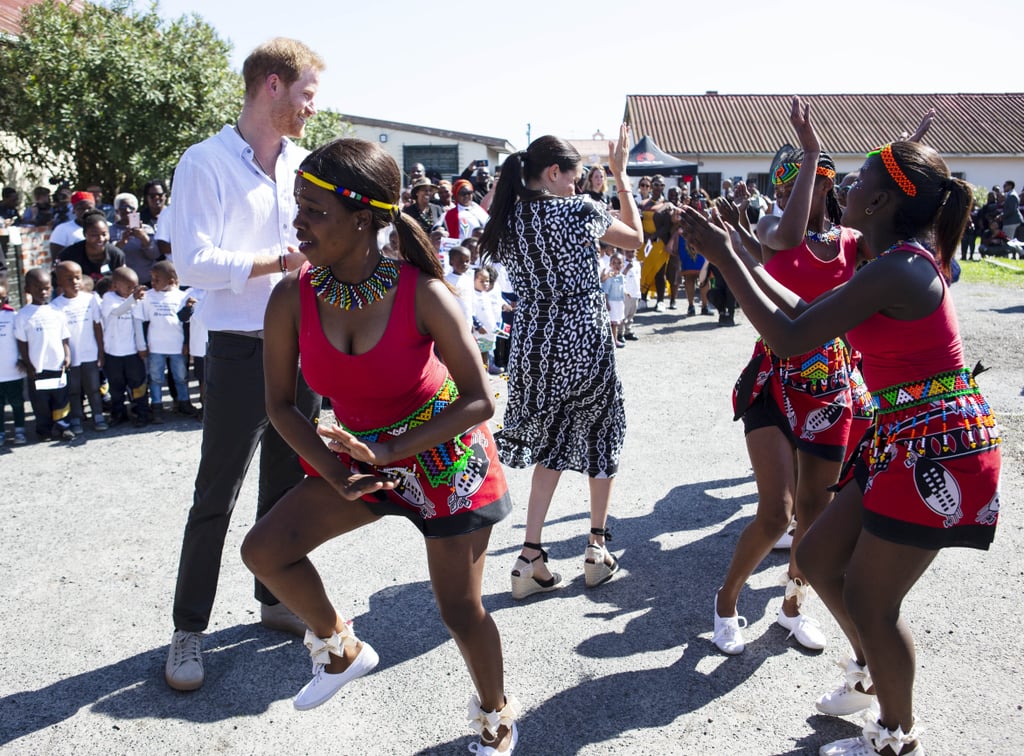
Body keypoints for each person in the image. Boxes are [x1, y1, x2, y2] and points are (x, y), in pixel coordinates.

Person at [679, 98, 1000, 756]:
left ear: (882, 203)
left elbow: (792, 336)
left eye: (861, 182)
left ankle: (896, 735)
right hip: (905, 439)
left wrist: (723, 256)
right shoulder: (891, 261)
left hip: (937, 450)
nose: (848, 188)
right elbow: (804, 308)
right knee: (820, 556)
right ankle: (873, 676)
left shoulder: (901, 266)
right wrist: (740, 257)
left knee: (873, 602)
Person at [240, 137, 520, 753]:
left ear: (363, 218)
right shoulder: (293, 296)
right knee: (265, 550)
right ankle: (340, 649)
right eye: (298, 206)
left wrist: (390, 452)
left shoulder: (422, 292)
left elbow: (479, 399)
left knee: (459, 612)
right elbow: (280, 407)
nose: (298, 221)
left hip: (448, 460)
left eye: (315, 210)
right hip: (363, 459)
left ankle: (497, 719)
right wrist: (334, 473)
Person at [164, 37, 326, 692]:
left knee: (290, 486)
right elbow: (193, 264)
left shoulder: (306, 164)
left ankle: (273, 598)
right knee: (217, 492)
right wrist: (279, 262)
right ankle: (187, 629)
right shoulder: (203, 163)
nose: (312, 108)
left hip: (303, 341)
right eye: (307, 94)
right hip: (236, 345)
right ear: (272, 87)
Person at [710, 99, 868, 657]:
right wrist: (807, 150)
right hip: (773, 381)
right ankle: (727, 599)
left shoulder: (852, 244)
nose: (785, 196)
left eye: (802, 182)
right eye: (783, 185)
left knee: (814, 517)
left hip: (831, 388)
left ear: (826, 186)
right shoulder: (775, 225)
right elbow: (792, 229)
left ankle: (792, 607)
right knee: (775, 510)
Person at [478, 125, 644, 599]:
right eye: (570, 177)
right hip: (583, 338)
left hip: (533, 346)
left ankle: (530, 555)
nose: (575, 186)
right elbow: (633, 239)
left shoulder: (508, 221)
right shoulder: (577, 210)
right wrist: (621, 176)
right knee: (602, 433)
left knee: (550, 445)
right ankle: (596, 547)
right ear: (552, 173)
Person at [14, 268, 74, 442]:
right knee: (40, 402)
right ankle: (44, 429)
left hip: (58, 365)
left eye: (46, 288)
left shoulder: (56, 312)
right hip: (37, 368)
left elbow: (64, 338)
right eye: (38, 288)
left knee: (61, 398)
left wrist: (67, 355)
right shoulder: (23, 315)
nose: (43, 292)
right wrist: (28, 364)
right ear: (27, 289)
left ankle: (63, 426)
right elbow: (22, 343)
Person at [134, 260, 194, 423]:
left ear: (171, 281)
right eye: (152, 279)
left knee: (181, 377)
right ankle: (157, 406)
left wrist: (187, 343)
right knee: (156, 378)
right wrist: (142, 345)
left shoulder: (182, 296)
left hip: (177, 345)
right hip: (156, 346)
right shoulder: (148, 297)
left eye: (157, 279)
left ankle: (184, 402)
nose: (152, 283)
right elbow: (141, 320)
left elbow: (186, 323)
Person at [51, 261, 106, 433]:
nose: (75, 282)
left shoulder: (90, 300)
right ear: (59, 282)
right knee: (73, 389)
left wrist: (101, 351)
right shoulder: (56, 305)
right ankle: (76, 417)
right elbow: (59, 335)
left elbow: (97, 326)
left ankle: (98, 416)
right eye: (69, 279)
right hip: (71, 357)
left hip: (90, 352)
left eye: (77, 277)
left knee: (93, 388)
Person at [100, 266, 149, 426]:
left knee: (138, 384)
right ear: (115, 286)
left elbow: (138, 324)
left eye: (135, 287)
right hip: (113, 353)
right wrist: (133, 299)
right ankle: (118, 413)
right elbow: (117, 312)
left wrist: (141, 347)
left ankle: (141, 413)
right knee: (116, 386)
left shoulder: (137, 300)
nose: (132, 290)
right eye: (129, 287)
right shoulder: (108, 299)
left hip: (132, 352)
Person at [56, 210, 126, 285]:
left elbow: (123, 281)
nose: (101, 239)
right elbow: (59, 283)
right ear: (85, 234)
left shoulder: (116, 255)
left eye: (104, 234)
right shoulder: (69, 254)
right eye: (94, 235)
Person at [110, 192, 161, 286]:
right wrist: (122, 242)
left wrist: (143, 237)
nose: (127, 210)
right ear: (117, 210)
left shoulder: (147, 229)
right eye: (123, 208)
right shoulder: (110, 231)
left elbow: (155, 255)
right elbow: (109, 256)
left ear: (136, 210)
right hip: (123, 284)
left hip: (147, 281)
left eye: (131, 208)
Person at [0, 279, 28, 446]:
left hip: (12, 370)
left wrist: (21, 358)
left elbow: (20, 340)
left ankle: (19, 430)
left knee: (17, 402)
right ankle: (1, 433)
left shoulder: (13, 316)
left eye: (2, 298)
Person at [601, 252, 627, 346]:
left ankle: (613, 340)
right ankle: (613, 341)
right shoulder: (609, 277)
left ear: (623, 264)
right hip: (611, 302)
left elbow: (621, 288)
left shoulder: (621, 277)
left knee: (616, 322)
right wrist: (607, 302)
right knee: (612, 323)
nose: (616, 265)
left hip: (619, 302)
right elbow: (606, 291)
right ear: (610, 264)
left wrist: (626, 293)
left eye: (619, 263)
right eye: (614, 262)